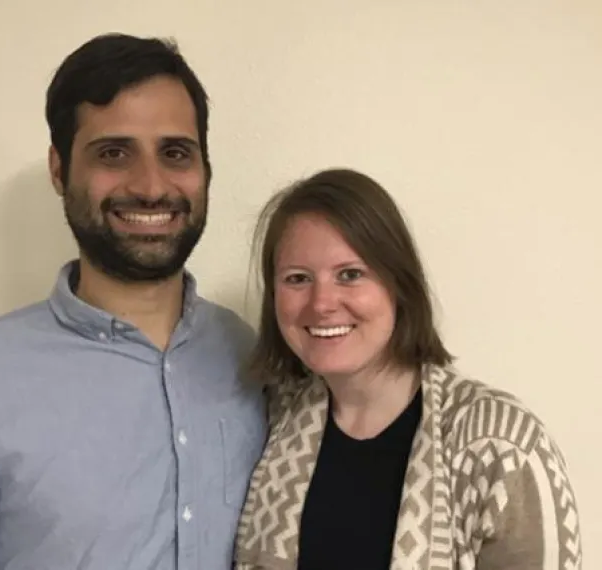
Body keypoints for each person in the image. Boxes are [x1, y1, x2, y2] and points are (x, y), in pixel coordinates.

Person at [0, 33, 267, 570]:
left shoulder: (248, 353)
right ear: (59, 171)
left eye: (175, 152)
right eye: (113, 153)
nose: (151, 185)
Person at [233, 168, 582, 570]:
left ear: (399, 284)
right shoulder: (270, 421)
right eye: (298, 279)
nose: (322, 303)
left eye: (351, 274)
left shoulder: (502, 446)